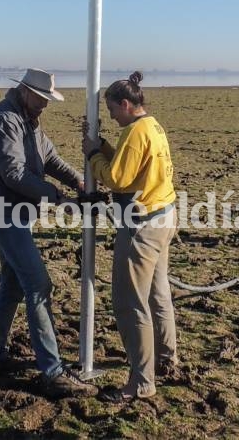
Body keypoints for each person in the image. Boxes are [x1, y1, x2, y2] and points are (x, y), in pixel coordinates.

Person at [0, 68, 97, 398]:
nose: (46, 105)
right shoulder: (5, 121)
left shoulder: (29, 119)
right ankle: (52, 371)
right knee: (38, 284)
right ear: (26, 91)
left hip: (19, 214)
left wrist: (77, 180)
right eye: (43, 98)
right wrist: (58, 198)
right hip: (6, 216)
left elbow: (48, 156)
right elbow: (14, 174)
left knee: (13, 283)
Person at [82, 71, 179, 402]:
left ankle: (142, 382)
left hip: (143, 227)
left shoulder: (136, 131)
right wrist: (104, 146)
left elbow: (118, 179)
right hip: (165, 215)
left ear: (126, 104)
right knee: (158, 294)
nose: (110, 115)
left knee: (129, 303)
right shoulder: (152, 126)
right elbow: (131, 165)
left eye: (112, 109)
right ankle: (167, 359)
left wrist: (93, 155)